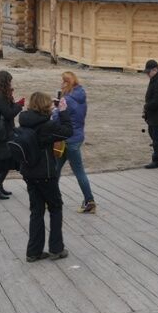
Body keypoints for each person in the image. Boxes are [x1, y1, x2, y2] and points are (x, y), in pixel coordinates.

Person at [19, 92, 73, 262]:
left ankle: (33, 251)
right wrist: (63, 111)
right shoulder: (46, 125)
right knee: (55, 208)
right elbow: (68, 131)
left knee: (36, 211)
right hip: (45, 173)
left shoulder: (24, 121)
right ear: (45, 106)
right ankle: (56, 248)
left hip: (29, 173)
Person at [55, 71, 96, 214]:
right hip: (77, 136)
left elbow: (56, 118)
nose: (61, 84)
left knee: (73, 171)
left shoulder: (66, 100)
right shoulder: (81, 97)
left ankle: (89, 200)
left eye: (62, 81)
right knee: (57, 168)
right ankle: (54, 198)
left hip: (66, 139)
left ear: (67, 83)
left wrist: (56, 108)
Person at [0, 70, 23, 199]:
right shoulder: (0, 97)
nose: (10, 84)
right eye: (9, 81)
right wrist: (19, 105)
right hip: (3, 133)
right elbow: (8, 114)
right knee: (5, 161)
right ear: (5, 82)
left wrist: (11, 100)